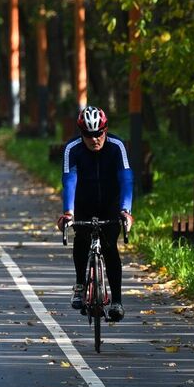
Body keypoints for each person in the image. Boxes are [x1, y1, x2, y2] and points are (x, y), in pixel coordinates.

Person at [57, 106, 134, 321]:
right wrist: (68, 213)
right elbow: (69, 180)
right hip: (83, 202)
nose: (94, 139)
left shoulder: (117, 146)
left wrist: (126, 211)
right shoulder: (72, 149)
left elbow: (126, 178)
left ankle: (117, 301)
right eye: (88, 135)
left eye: (99, 133)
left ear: (106, 130)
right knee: (81, 239)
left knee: (110, 248)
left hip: (110, 203)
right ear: (81, 133)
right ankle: (80, 285)